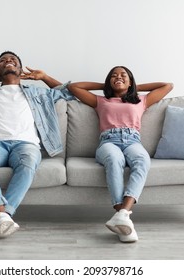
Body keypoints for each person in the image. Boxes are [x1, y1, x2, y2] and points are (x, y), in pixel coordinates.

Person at [0, 51, 75, 241]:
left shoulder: (38, 92)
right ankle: (4, 215)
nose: (8, 61)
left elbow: (68, 93)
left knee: (29, 161)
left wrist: (44, 77)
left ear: (20, 69)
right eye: (3, 61)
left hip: (26, 144)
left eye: (13, 60)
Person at [67, 66, 173, 242]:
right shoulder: (100, 101)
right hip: (108, 141)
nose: (118, 77)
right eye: (114, 76)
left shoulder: (141, 100)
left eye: (123, 75)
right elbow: (74, 87)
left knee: (142, 160)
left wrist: (131, 87)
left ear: (131, 81)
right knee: (114, 159)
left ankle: (123, 215)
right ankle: (122, 218)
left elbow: (168, 85)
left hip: (133, 141)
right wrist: (107, 86)